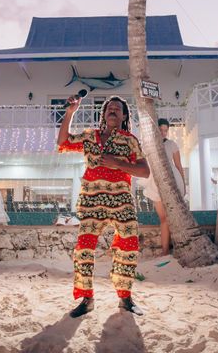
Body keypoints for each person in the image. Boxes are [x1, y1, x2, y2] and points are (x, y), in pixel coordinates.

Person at [58, 95, 150, 318]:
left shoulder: (130, 140)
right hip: (92, 202)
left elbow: (144, 171)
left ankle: (125, 298)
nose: (114, 111)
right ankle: (87, 298)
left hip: (122, 201)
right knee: (83, 249)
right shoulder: (90, 135)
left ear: (124, 116)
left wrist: (118, 163)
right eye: (110, 108)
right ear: (104, 113)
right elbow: (63, 142)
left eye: (118, 109)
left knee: (128, 247)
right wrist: (70, 112)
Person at [142, 118, 187, 256]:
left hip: (173, 179)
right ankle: (165, 251)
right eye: (160, 130)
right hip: (156, 181)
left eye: (165, 130)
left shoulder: (172, 144)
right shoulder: (149, 145)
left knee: (176, 217)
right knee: (163, 218)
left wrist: (184, 185)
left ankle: (179, 249)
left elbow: (178, 166)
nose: (163, 133)